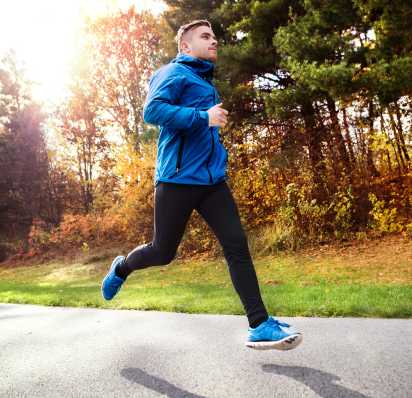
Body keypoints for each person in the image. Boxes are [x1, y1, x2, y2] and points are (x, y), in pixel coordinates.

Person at [101, 20, 302, 351]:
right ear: (185, 46)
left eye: (215, 37)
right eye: (206, 37)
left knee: (236, 245)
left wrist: (215, 144)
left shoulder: (205, 82)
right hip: (177, 181)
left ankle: (259, 325)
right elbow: (151, 111)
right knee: (162, 252)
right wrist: (202, 117)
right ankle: (121, 268)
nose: (214, 42)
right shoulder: (172, 73)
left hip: (212, 183)